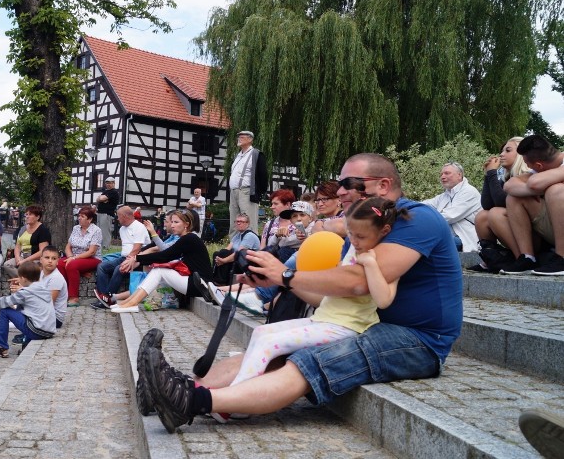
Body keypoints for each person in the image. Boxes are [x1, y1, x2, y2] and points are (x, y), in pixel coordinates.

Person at [138, 153, 463, 434]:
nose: (338, 191)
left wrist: (287, 275)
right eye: (339, 183)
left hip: (417, 339)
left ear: (384, 185)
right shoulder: (361, 230)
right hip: (366, 322)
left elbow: (360, 282)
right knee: (267, 344)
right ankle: (178, 388)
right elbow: (335, 293)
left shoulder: (418, 218)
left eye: (349, 182)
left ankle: (195, 401)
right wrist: (279, 283)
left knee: (305, 359)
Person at [210, 196, 405, 423]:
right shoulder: (354, 246)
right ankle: (237, 397)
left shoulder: (386, 256)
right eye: (351, 234)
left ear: (384, 231)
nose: (354, 240)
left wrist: (371, 265)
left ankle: (232, 401)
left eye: (360, 236)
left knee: (269, 342)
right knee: (261, 332)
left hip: (348, 326)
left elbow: (384, 300)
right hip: (325, 317)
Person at [111, 210, 212, 312]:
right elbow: (170, 257)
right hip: (194, 281)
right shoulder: (187, 238)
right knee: (157, 270)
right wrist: (138, 258)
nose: (172, 225)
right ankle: (128, 301)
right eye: (172, 222)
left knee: (159, 271)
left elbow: (165, 256)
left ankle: (132, 303)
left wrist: (136, 258)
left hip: (200, 285)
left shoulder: (189, 238)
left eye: (176, 222)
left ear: (186, 224)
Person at [500, 134, 564, 275]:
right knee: (514, 198)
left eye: (528, 164)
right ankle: (528, 257)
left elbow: (535, 182)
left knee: (556, 191)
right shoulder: (542, 168)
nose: (527, 167)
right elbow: (510, 185)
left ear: (539, 165)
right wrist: (532, 190)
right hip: (554, 228)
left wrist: (541, 185)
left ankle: (562, 258)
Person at [467, 137, 531, 272]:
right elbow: (487, 204)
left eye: (507, 150)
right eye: (501, 151)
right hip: (517, 232)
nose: (501, 154)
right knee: (482, 216)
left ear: (521, 154)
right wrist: (488, 174)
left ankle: (524, 258)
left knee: (496, 213)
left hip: (533, 237)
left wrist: (492, 173)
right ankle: (493, 259)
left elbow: (502, 202)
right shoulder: (506, 178)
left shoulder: (527, 176)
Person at [0, 262, 56, 358]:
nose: (18, 279)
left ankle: (2, 348)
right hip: (49, 331)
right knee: (26, 316)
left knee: (4, 310)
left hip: (37, 331)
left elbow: (3, 301)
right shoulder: (44, 288)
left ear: (23, 278)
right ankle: (25, 344)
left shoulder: (25, 293)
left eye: (19, 277)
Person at [92, 205, 151, 308]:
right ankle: (104, 297)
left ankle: (108, 297)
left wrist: (128, 260)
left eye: (118, 216)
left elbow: (137, 249)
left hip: (138, 259)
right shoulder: (122, 229)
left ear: (124, 216)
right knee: (102, 266)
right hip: (124, 257)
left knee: (119, 268)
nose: (117, 219)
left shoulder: (139, 227)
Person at [422, 162, 481, 252]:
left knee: (422, 241)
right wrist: (404, 205)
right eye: (441, 174)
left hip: (464, 239)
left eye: (447, 173)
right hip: (447, 236)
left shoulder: (469, 192)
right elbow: (426, 204)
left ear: (459, 175)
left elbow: (449, 216)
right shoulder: (445, 195)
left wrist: (421, 221)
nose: (442, 176)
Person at [58, 206, 103, 307]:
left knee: (71, 265)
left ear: (90, 219)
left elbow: (91, 252)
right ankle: (64, 294)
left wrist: (73, 258)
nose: (79, 218)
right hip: (75, 258)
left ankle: (74, 297)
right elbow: (68, 247)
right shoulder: (76, 228)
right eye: (79, 216)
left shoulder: (96, 230)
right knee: (59, 263)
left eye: (82, 216)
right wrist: (70, 256)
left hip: (92, 258)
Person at [227, 131, 268, 234]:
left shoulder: (256, 154)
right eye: (238, 137)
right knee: (235, 222)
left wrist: (260, 192)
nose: (239, 139)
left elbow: (263, 174)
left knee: (248, 222)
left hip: (246, 191)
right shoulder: (238, 155)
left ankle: (250, 247)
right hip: (234, 192)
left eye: (242, 137)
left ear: (250, 139)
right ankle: (234, 247)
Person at [2, 205, 51, 279]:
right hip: (22, 257)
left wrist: (25, 260)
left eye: (30, 214)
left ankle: (25, 282)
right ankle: (24, 280)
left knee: (28, 268)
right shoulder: (23, 229)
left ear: (37, 217)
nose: (27, 216)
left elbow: (42, 251)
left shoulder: (43, 230)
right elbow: (18, 246)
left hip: (35, 259)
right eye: (26, 214)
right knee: (7, 264)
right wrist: (18, 258)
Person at [211, 213, 261, 285]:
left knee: (223, 254)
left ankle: (220, 283)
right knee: (218, 253)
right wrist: (219, 258)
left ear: (247, 223)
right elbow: (227, 249)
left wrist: (224, 261)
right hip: (237, 261)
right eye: (237, 221)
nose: (239, 223)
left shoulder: (250, 235)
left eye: (241, 221)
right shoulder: (237, 236)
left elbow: (239, 253)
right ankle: (215, 280)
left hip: (247, 264)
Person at [96, 176, 120, 249]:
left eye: (110, 183)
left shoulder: (114, 192)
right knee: (99, 230)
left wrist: (102, 198)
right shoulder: (106, 192)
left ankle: (106, 246)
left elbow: (101, 198)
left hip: (107, 214)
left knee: (105, 231)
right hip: (100, 213)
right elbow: (98, 199)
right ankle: (100, 246)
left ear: (113, 183)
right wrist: (102, 199)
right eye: (107, 183)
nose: (108, 184)